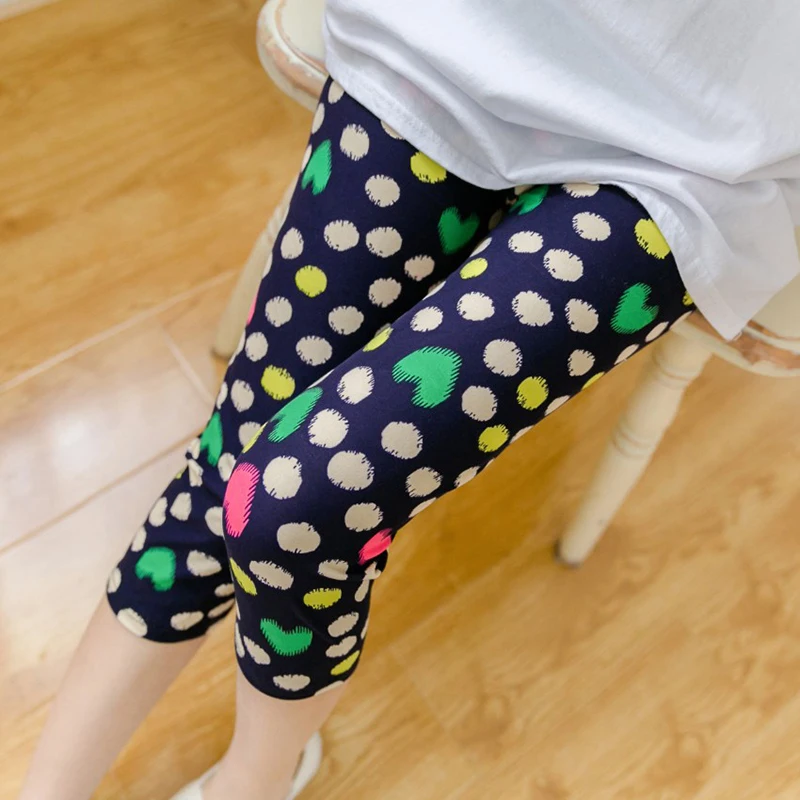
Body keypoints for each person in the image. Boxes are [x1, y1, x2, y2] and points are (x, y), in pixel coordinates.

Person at [18, 1, 800, 799]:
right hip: (454, 39)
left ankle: (256, 779)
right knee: (226, 466)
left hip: (697, 149)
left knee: (292, 510)